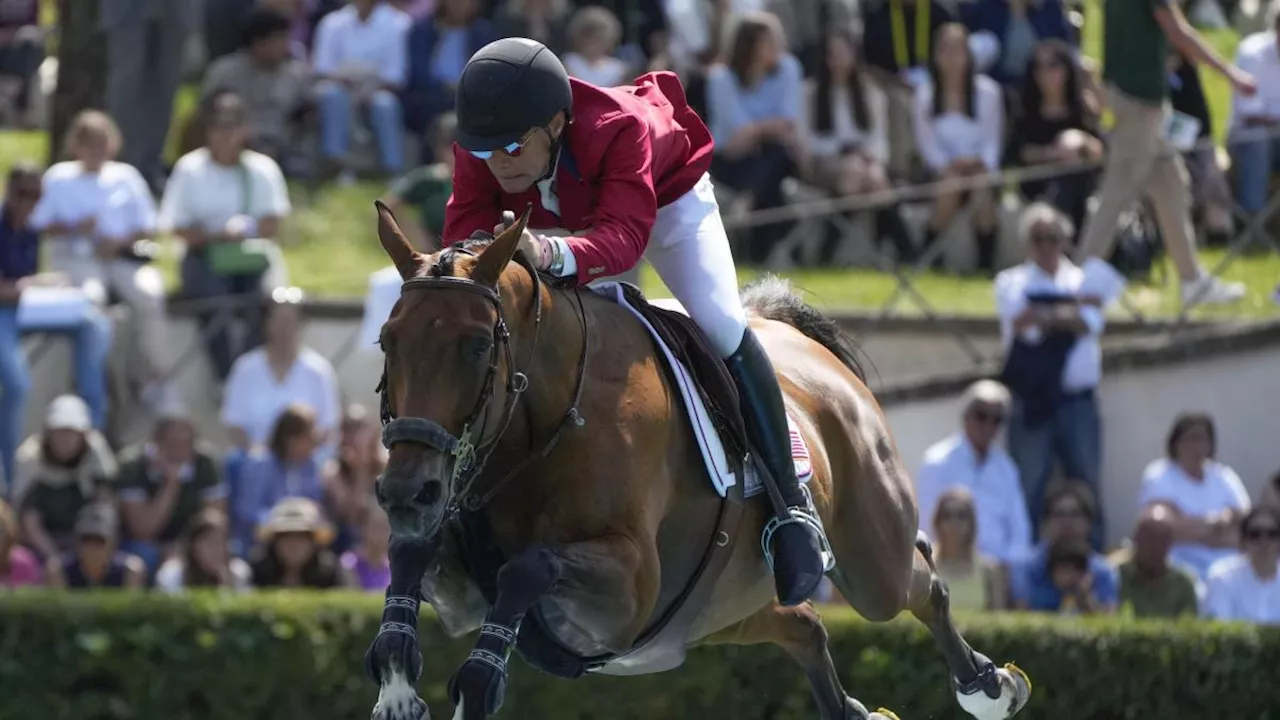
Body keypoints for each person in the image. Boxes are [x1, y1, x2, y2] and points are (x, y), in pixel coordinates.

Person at [443, 37, 828, 606]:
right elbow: (464, 233)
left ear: (554, 123)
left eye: (510, 147)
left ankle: (791, 507)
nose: (497, 162)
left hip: (667, 203)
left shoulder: (619, 128)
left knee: (721, 324)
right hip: (559, 220)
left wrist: (547, 254)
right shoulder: (488, 146)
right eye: (485, 151)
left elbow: (624, 241)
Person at [1074, 0, 1255, 308]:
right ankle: (1076, 283)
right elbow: (1178, 32)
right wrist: (1231, 74)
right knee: (1116, 194)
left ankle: (1191, 281)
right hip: (1139, 105)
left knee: (1172, 186)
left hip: (1138, 101)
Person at [0, 163, 110, 489]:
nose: (28, 203)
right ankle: (10, 473)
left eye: (36, 197)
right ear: (8, 191)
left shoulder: (32, 228)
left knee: (92, 324)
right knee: (18, 385)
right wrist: (33, 284)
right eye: (22, 195)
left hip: (29, 308)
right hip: (3, 313)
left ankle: (93, 432)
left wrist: (47, 285)